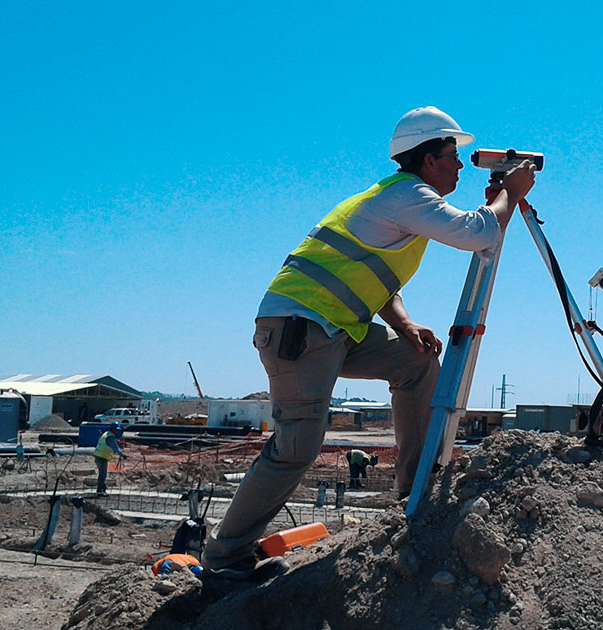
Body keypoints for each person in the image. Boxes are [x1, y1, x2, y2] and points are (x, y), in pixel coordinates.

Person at [201, 106, 536, 581]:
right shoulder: (407, 196)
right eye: (451, 155)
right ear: (425, 160)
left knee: (416, 362)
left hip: (338, 328)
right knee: (297, 446)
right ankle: (225, 558)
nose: (459, 165)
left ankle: (414, 490)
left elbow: (378, 283)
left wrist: (404, 326)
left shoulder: (401, 201)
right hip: (302, 328)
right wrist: (509, 195)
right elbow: (477, 233)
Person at [93, 422, 126, 496]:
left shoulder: (106, 434)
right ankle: (100, 490)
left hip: (99, 456)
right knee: (103, 474)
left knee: (102, 473)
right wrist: (121, 454)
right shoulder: (110, 437)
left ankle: (103, 487)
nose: (117, 432)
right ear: (113, 429)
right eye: (116, 430)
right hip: (102, 457)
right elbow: (115, 447)